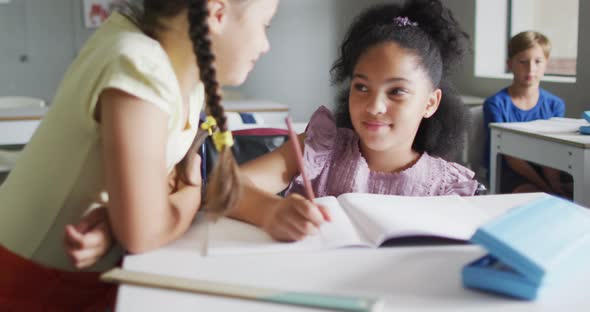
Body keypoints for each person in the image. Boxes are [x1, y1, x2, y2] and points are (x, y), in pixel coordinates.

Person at [67, 0, 477, 268]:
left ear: (431, 102)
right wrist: (271, 211)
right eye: (361, 86)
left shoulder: (450, 187)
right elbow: (220, 190)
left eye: (398, 92)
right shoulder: (323, 146)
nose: (373, 106)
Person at [0, 0, 278, 309]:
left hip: (85, 281)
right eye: (265, 25)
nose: (265, 45)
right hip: (22, 285)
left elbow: (163, 184)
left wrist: (119, 217)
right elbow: (145, 232)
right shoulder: (140, 64)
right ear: (217, 14)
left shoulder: (186, 77)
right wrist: (193, 190)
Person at [483, 31, 570, 197]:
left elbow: (553, 151)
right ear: (510, 64)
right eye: (523, 62)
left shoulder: (555, 105)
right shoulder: (496, 104)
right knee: (535, 198)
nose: (531, 68)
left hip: (545, 169)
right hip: (507, 171)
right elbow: (510, 157)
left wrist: (554, 185)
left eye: (538, 61)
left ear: (546, 64)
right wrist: (546, 187)